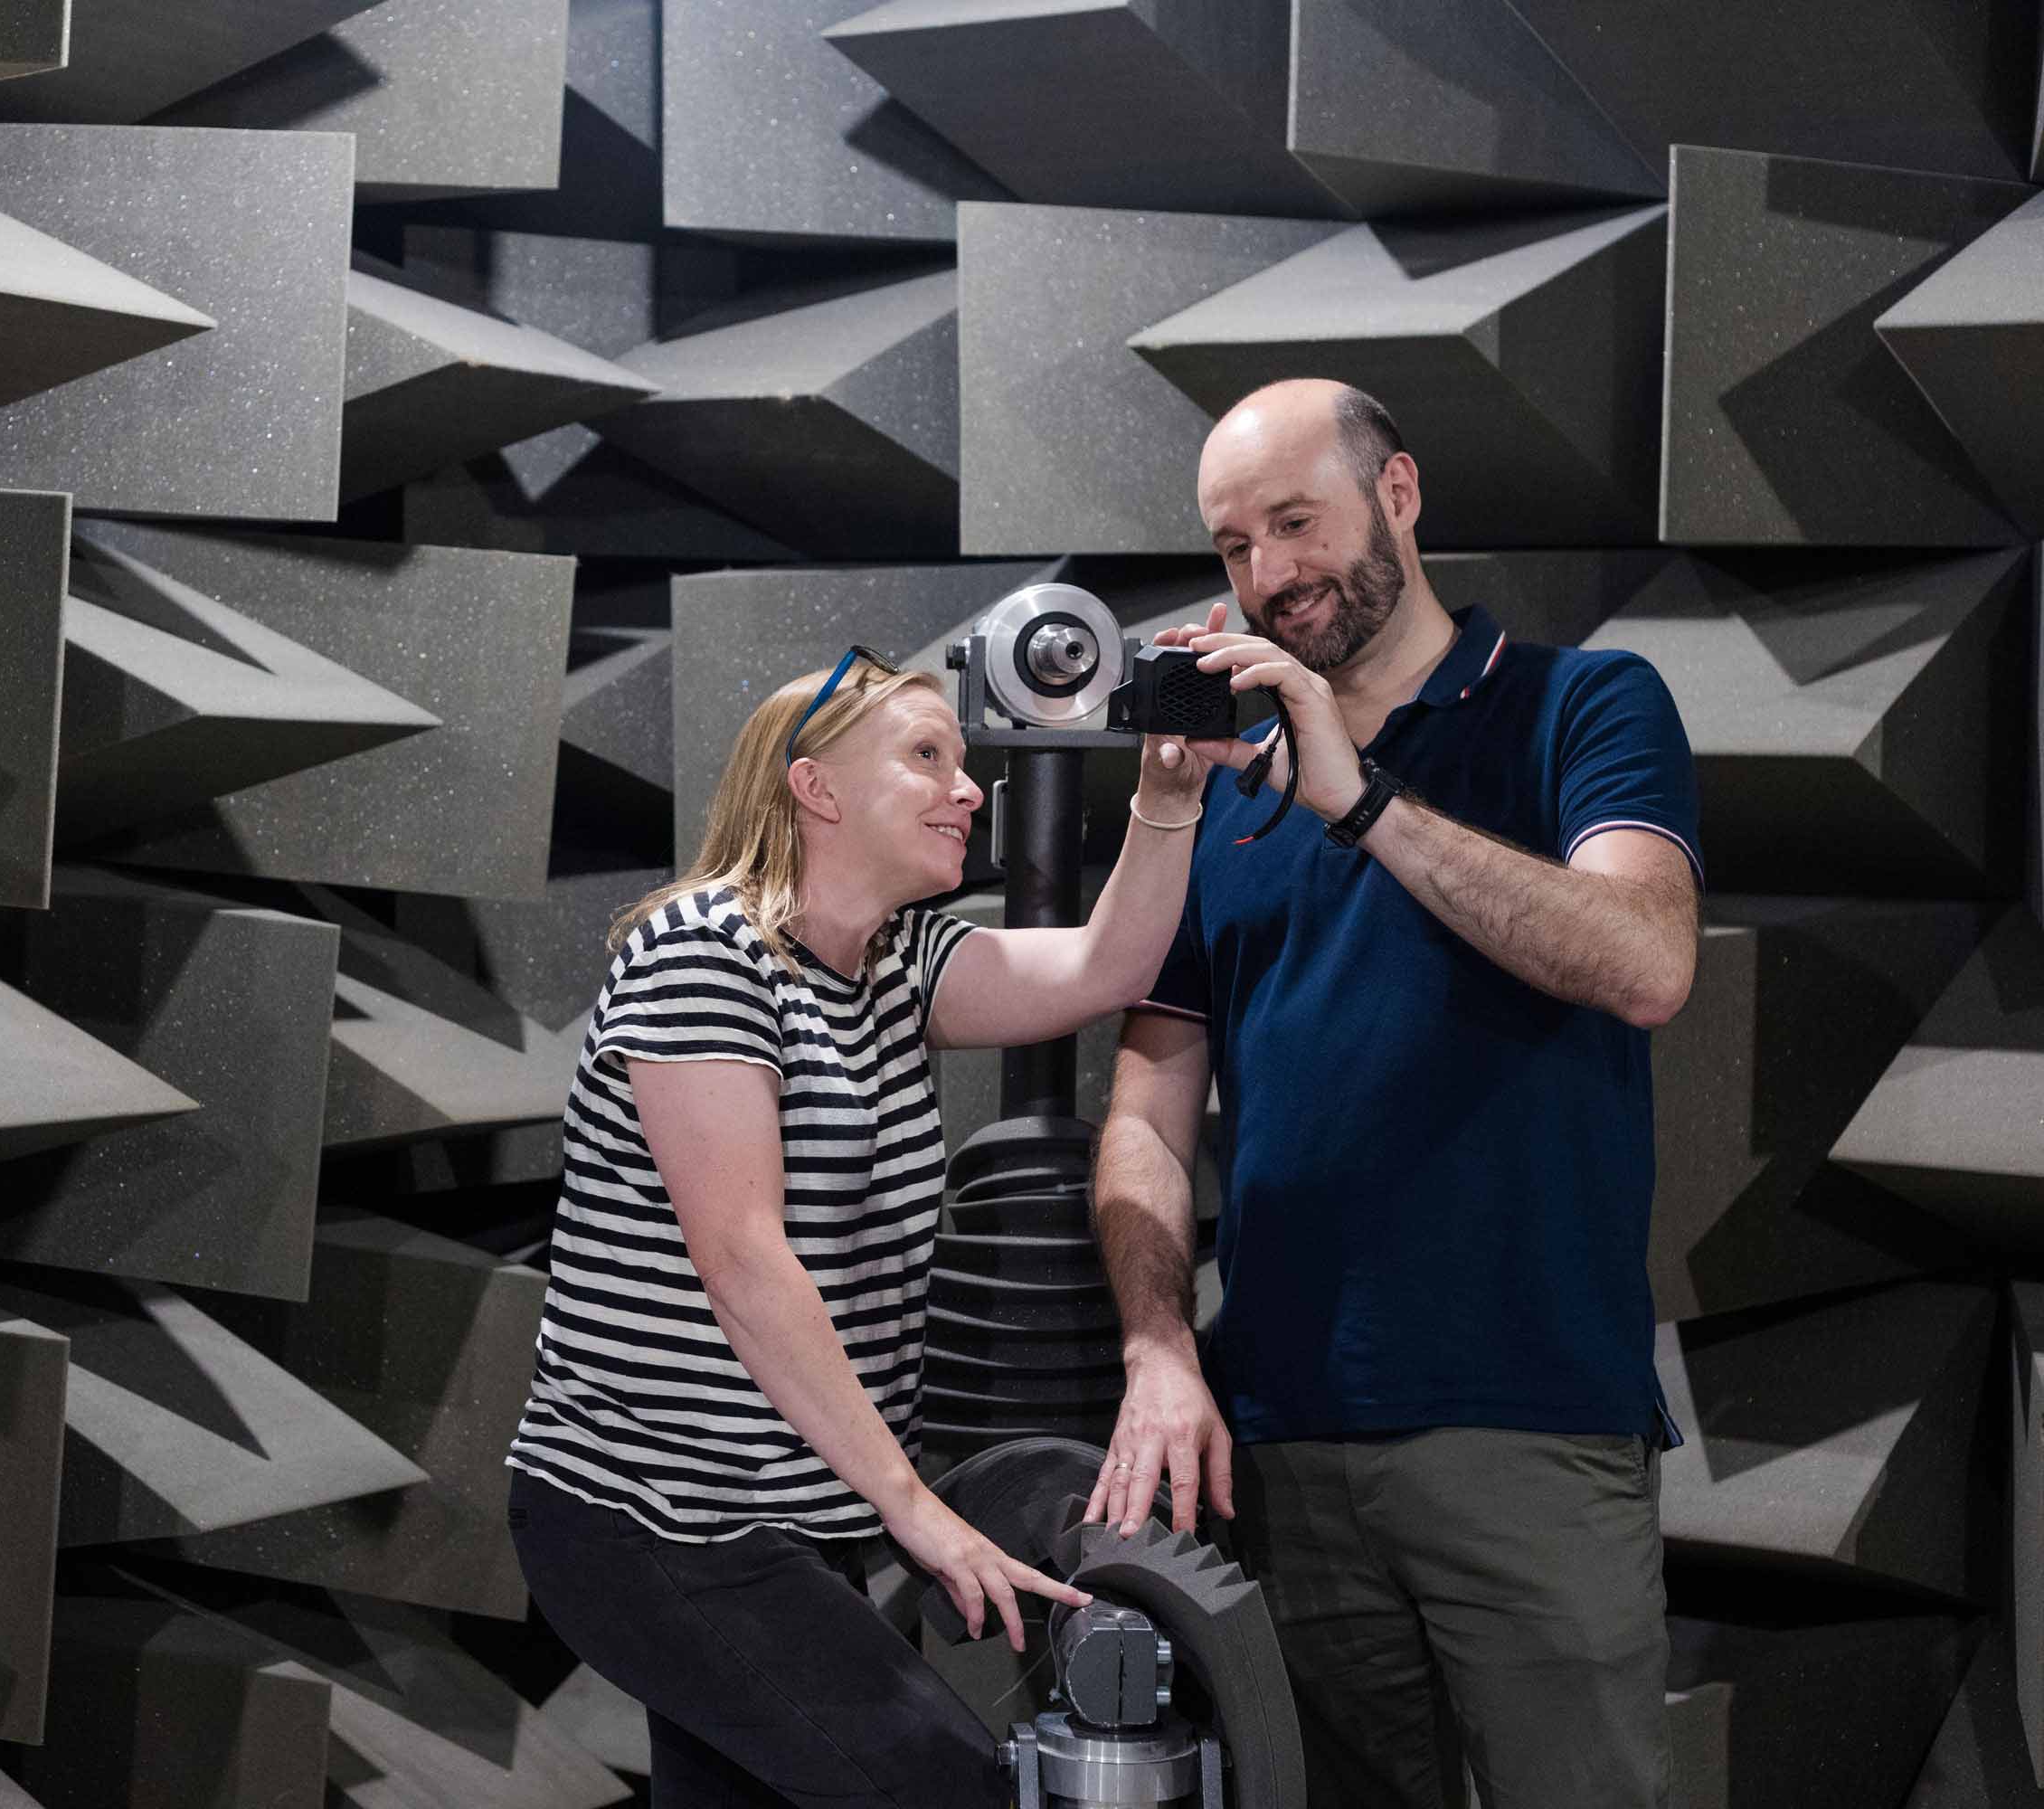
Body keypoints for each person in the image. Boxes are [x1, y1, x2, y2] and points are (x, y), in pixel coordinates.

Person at [1085, 378, 1701, 1808]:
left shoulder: (1580, 703)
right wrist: (1161, 1346)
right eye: (1234, 546)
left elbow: (1646, 960)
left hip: (1526, 1424)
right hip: (1286, 1450)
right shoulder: (1220, 790)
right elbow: (1146, 1111)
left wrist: (1360, 800)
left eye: (1298, 523)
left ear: (1400, 494)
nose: (1269, 577)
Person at [506, 643, 1207, 1808]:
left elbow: (1109, 963)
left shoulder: (901, 962)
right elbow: (742, 1261)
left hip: (793, 1515)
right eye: (925, 757)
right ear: (816, 788)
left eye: (966, 762)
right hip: (656, 1515)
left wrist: (1166, 801)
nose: (969, 789)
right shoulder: (701, 953)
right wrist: (917, 1512)